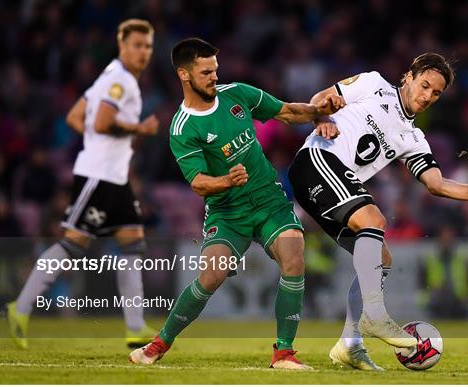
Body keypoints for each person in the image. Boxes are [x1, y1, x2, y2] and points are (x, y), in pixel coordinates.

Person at [288, 53, 468, 370]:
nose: (427, 97)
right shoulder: (373, 84)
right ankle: (375, 315)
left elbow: (435, 183)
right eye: (424, 85)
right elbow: (322, 98)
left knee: (382, 258)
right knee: (375, 219)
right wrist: (321, 118)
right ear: (409, 76)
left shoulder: (414, 138)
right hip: (317, 161)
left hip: (330, 187)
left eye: (436, 93)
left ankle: (350, 344)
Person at [129, 37, 344, 370]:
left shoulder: (238, 94)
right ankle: (158, 344)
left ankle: (283, 353)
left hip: (269, 200)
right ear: (184, 75)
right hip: (228, 212)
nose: (215, 77)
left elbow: (286, 112)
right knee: (211, 276)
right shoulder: (182, 128)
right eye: (205, 72)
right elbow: (199, 182)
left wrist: (319, 112)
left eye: (215, 70)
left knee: (294, 254)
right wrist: (226, 181)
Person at [6, 19, 159, 349]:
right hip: (99, 175)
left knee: (133, 242)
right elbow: (101, 122)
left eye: (148, 45)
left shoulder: (108, 76)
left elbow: (76, 117)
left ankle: (135, 327)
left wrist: (98, 136)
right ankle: (19, 307)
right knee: (73, 244)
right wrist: (138, 129)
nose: (144, 52)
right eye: (137, 45)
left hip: (114, 177)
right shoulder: (121, 81)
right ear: (122, 46)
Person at [417, 223, 468, 319]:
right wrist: (429, 294)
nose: (447, 239)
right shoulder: (430, 256)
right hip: (436, 301)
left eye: (449, 236)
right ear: (439, 238)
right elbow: (421, 280)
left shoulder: (462, 255)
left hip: (459, 301)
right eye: (444, 236)